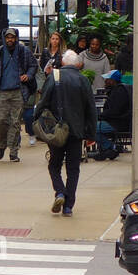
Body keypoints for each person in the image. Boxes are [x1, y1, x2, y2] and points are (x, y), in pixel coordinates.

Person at [34, 49, 97, 217]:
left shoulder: (53, 78)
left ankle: (60, 192)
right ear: (77, 64)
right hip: (76, 131)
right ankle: (68, 206)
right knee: (73, 169)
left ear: (62, 62)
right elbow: (91, 109)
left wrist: (35, 119)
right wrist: (91, 134)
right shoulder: (83, 80)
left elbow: (43, 102)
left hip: (57, 130)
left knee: (54, 164)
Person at [0, 27, 36, 162]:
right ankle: (2, 145)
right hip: (2, 92)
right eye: (8, 37)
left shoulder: (23, 51)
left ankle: (13, 151)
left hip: (18, 91)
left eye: (12, 37)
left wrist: (28, 75)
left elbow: (33, 65)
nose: (10, 40)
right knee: (1, 121)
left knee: (15, 122)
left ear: (16, 38)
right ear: (4, 38)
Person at [95, 70, 132, 160]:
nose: (105, 81)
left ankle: (111, 147)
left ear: (112, 80)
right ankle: (108, 149)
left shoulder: (119, 92)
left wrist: (100, 115)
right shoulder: (119, 90)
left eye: (107, 79)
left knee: (90, 128)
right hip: (117, 122)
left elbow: (114, 111)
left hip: (117, 123)